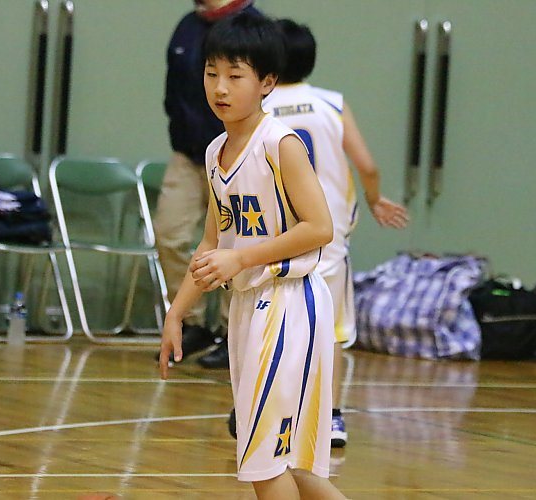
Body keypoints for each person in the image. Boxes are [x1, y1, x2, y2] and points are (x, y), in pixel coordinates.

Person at [159, 13, 346, 499]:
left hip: (289, 304)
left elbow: (319, 227)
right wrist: (177, 311)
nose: (220, 87)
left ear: (267, 82)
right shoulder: (215, 151)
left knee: (263, 463)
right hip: (248, 308)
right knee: (288, 465)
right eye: (211, 73)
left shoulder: (279, 143)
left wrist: (242, 260)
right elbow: (211, 244)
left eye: (235, 76)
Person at [262, 19, 410, 449]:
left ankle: (266, 413)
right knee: (330, 333)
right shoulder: (331, 103)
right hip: (326, 237)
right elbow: (367, 165)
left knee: (269, 326)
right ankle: (331, 418)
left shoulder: (259, 106)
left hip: (273, 238)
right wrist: (375, 198)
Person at [155, 0, 262, 368]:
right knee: (169, 233)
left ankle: (232, 333)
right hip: (188, 154)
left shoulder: (252, 27)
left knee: (236, 242)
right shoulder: (187, 25)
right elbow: (173, 90)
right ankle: (192, 322)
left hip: (237, 153)